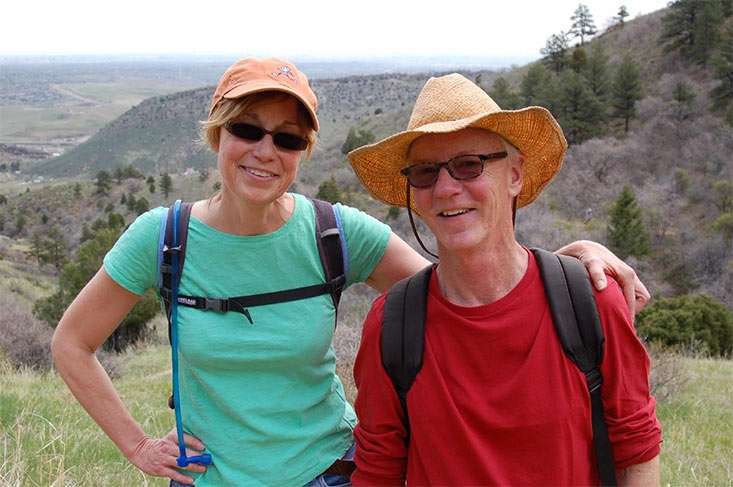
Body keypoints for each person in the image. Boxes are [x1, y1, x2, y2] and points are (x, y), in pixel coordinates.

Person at [51, 58, 649, 486]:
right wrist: (136, 445)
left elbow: (467, 287)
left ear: (303, 151)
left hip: (332, 472)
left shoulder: (333, 234)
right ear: (217, 134)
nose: (265, 149)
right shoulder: (164, 240)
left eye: (286, 137)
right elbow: (72, 344)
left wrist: (568, 261)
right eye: (246, 129)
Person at [348, 73, 662, 486]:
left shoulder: (591, 302)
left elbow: (635, 452)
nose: (445, 188)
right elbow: (378, 472)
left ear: (515, 175)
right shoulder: (392, 326)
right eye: (425, 173)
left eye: (468, 165)